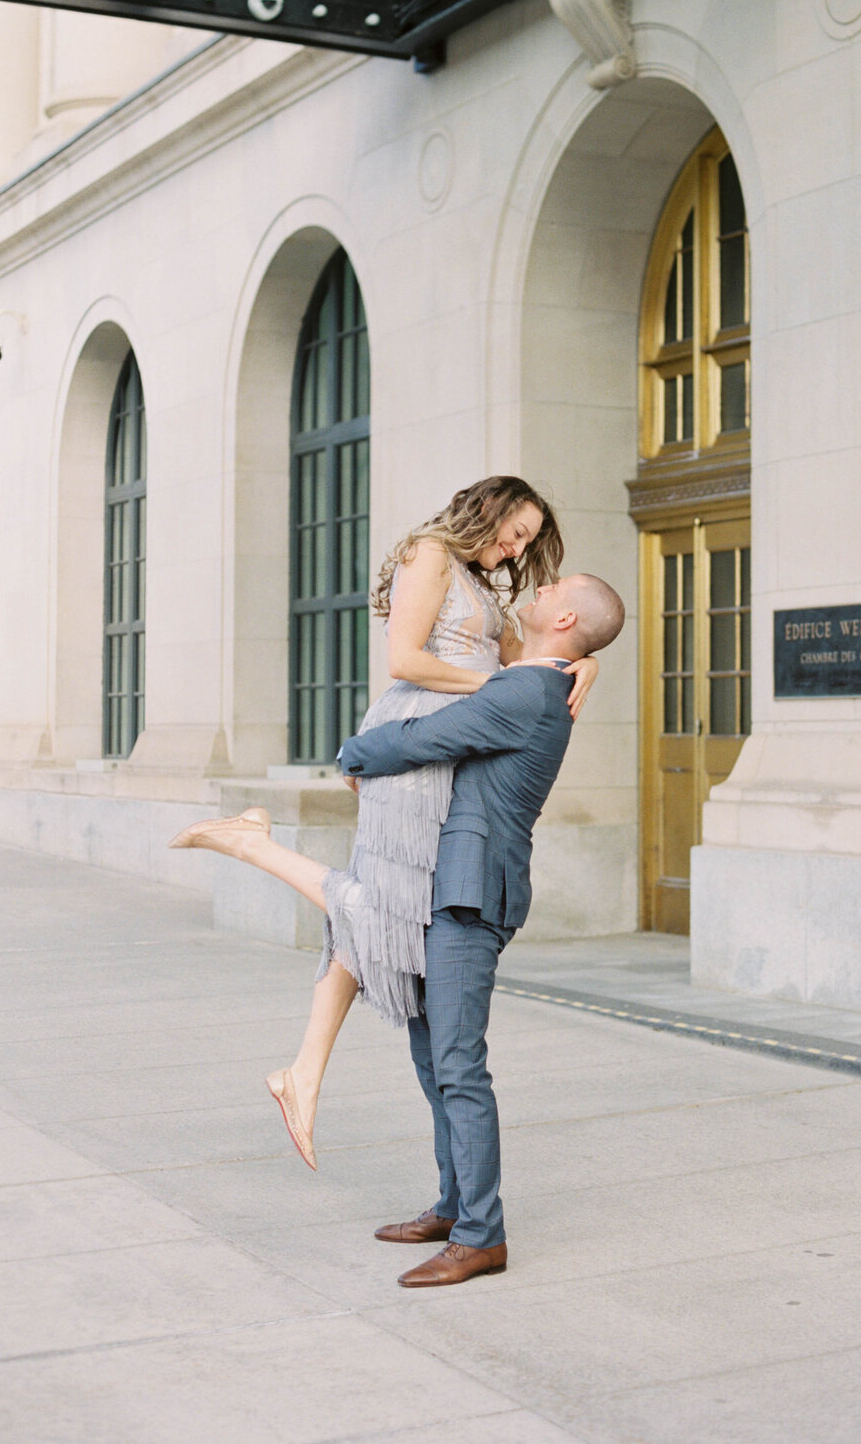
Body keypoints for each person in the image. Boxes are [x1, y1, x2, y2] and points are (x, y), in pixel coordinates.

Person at [168, 477, 598, 1169]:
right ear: (485, 511)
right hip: (413, 742)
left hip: (450, 750)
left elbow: (550, 652)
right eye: (515, 530)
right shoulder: (429, 554)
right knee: (384, 905)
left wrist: (590, 663)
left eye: (527, 539)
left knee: (396, 913)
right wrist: (498, 688)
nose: (518, 547)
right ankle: (254, 848)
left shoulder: (484, 588)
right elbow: (405, 659)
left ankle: (304, 1070)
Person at [342, 572, 626, 1287]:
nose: (539, 582)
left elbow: (430, 737)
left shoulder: (528, 692)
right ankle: (451, 1204)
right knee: (431, 1054)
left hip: (470, 893)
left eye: (553, 583)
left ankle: (481, 1235)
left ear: (563, 616)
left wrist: (355, 752)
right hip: (447, 885)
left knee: (459, 1064)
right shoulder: (533, 679)